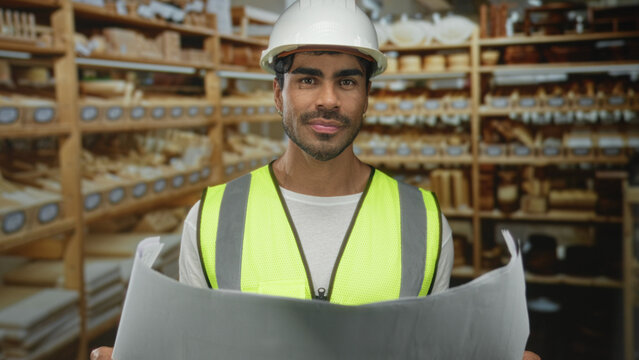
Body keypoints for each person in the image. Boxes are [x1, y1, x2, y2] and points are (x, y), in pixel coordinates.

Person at [92, 0, 540, 359]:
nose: (328, 100)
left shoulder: (422, 220)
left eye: (347, 82)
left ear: (367, 97)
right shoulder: (213, 218)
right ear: (277, 92)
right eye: (308, 79)